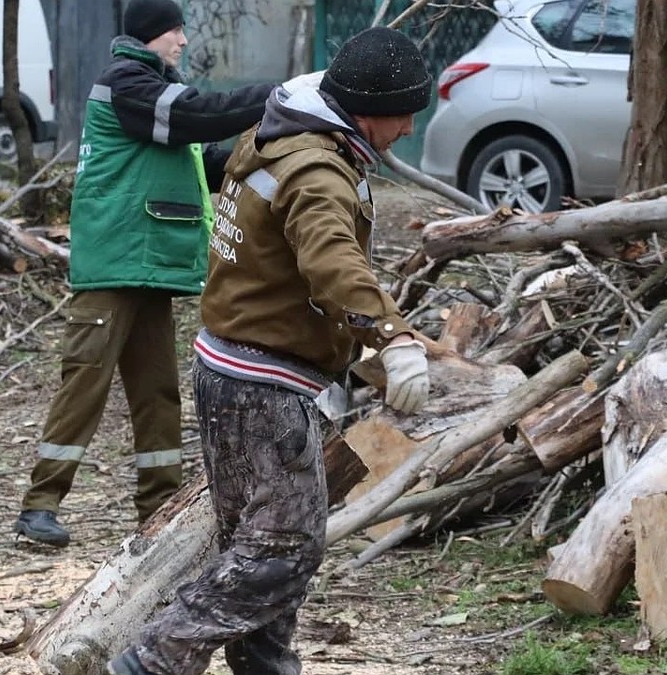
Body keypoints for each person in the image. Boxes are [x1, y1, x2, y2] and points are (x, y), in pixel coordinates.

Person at [107, 25, 434, 675]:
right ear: (372, 110)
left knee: (255, 540)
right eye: (406, 116)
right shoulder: (316, 169)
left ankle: (264, 664)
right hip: (265, 381)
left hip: (231, 361)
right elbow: (333, 263)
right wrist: (391, 336)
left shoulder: (281, 128)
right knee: (284, 547)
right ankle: (155, 658)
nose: (407, 131)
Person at [13, 0, 278, 548]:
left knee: (158, 393)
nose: (182, 41)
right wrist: (275, 96)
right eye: (174, 31)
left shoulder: (155, 89)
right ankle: (39, 507)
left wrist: (266, 147)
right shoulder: (128, 83)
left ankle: (158, 512)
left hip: (147, 263)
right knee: (85, 381)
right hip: (114, 261)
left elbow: (198, 160)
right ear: (150, 35)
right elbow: (193, 115)